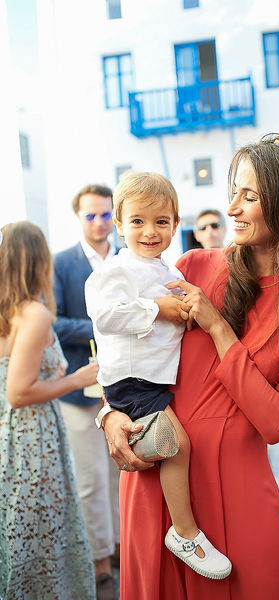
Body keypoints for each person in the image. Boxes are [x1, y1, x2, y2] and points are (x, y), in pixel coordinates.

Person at [101, 132, 279, 599]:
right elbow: (124, 351)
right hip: (160, 476)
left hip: (239, 489)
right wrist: (110, 415)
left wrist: (218, 328)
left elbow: (277, 422)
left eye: (249, 195)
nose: (233, 208)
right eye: (233, 193)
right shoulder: (191, 267)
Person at [86, 172, 232, 579]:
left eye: (161, 222)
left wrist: (179, 315)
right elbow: (105, 314)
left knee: (175, 444)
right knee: (176, 446)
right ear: (119, 224)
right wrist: (158, 309)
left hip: (151, 379)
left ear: (175, 224)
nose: (150, 231)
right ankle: (184, 532)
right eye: (137, 221)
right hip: (133, 381)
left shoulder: (163, 266)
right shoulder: (119, 270)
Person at [0, 221, 99, 598]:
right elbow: (19, 392)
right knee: (40, 538)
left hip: (8, 436)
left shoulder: (7, 309)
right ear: (39, 258)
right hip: (29, 439)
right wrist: (78, 378)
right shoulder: (33, 313)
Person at [53, 183, 121, 600]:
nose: (99, 222)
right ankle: (99, 559)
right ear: (79, 217)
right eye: (90, 215)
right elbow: (54, 322)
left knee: (121, 474)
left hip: (123, 387)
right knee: (90, 481)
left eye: (105, 214)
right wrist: (103, 324)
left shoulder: (128, 257)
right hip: (79, 390)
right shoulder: (62, 262)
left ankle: (122, 549)